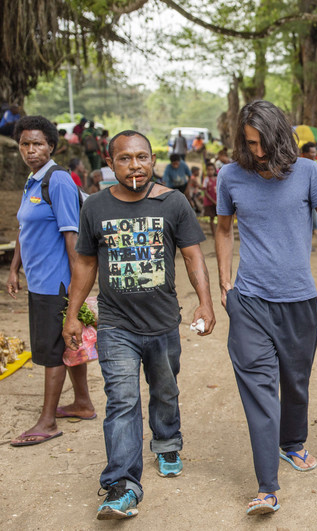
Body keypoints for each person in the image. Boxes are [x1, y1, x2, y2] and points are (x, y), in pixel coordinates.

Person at [62, 130, 216, 520]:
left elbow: (193, 256)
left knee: (165, 390)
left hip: (163, 322)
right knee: (122, 402)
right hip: (116, 325)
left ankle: (166, 444)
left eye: (142, 157)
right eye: (126, 159)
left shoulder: (173, 202)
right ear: (110, 164)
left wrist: (205, 302)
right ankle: (122, 485)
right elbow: (85, 262)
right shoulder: (94, 206)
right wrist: (72, 314)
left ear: (153, 161)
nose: (135, 166)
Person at [215, 100, 317, 516]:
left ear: (279, 138)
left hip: (298, 300)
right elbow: (223, 229)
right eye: (248, 143)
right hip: (251, 300)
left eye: (262, 143)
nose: (256, 152)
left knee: (295, 381)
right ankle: (267, 487)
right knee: (259, 391)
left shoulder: (309, 172)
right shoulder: (230, 175)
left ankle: (292, 443)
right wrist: (225, 279)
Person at [7, 116, 95, 446]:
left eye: (38, 144)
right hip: (38, 280)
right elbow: (24, 229)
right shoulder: (34, 181)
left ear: (51, 146)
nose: (31, 150)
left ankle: (46, 422)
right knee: (67, 344)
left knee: (51, 350)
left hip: (55, 283)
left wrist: (77, 286)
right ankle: (83, 403)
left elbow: (71, 236)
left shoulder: (57, 181)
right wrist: (14, 267)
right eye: (25, 144)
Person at [202, 162, 218, 236]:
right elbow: (205, 192)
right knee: (212, 217)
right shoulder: (206, 179)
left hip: (217, 201)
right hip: (209, 202)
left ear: (214, 170)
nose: (210, 171)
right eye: (208, 170)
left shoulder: (217, 179)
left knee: (219, 218)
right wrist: (213, 201)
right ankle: (214, 234)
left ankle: (218, 233)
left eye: (211, 169)